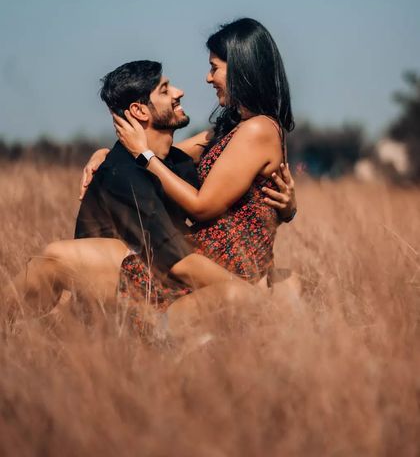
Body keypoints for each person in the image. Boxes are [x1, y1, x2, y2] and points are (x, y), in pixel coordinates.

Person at [4, 61, 258, 331]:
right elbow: (178, 261)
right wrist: (252, 296)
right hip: (113, 294)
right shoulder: (124, 175)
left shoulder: (176, 162)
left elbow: (222, 177)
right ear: (138, 111)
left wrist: (287, 208)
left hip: (152, 282)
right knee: (53, 259)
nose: (179, 92)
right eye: (164, 90)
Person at [112, 18, 295, 293]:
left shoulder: (258, 130)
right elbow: (172, 155)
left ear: (241, 67)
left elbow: (202, 206)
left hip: (226, 267)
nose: (208, 78)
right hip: (209, 257)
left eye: (214, 68)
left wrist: (144, 156)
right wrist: (107, 154)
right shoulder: (233, 130)